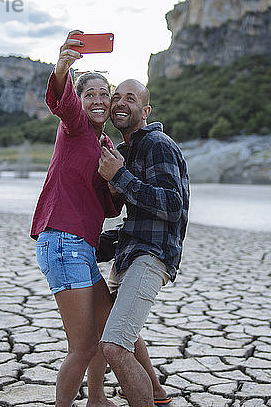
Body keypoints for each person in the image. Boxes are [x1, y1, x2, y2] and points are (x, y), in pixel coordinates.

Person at [30, 30, 119, 407]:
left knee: (105, 329)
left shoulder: (105, 145)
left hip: (82, 246)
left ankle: (96, 399)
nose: (97, 100)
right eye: (90, 95)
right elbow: (62, 101)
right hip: (62, 241)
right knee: (81, 347)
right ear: (80, 102)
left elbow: (110, 208)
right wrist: (64, 65)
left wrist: (116, 179)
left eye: (104, 95)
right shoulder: (76, 125)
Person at [97, 79, 190, 406]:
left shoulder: (157, 144)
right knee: (123, 331)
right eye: (116, 97)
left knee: (115, 345)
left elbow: (170, 205)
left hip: (151, 257)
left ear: (145, 110)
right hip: (130, 254)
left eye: (131, 98)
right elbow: (136, 220)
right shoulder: (126, 152)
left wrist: (120, 177)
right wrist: (90, 244)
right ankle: (158, 394)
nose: (121, 103)